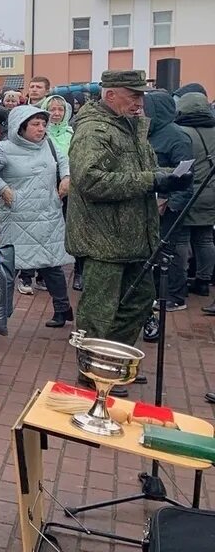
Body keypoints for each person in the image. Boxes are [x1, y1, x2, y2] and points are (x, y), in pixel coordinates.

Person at [68, 71, 192, 396]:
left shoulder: (130, 126)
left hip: (134, 237)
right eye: (133, 96)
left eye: (141, 96)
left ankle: (112, 364)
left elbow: (137, 171)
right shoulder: (94, 130)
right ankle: (93, 374)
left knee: (138, 301)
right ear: (111, 96)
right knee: (98, 311)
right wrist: (154, 180)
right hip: (104, 238)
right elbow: (91, 180)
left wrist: (169, 175)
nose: (140, 102)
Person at [0, 106, 74, 325]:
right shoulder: (3, 149)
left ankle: (62, 309)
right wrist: (3, 189)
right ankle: (2, 315)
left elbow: (65, 161)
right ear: (20, 127)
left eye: (43, 124)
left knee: (51, 265)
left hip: (47, 214)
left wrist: (66, 178)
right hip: (17, 216)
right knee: (8, 269)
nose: (41, 129)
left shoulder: (49, 145)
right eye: (35, 124)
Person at [145, 89, 194, 318]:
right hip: (151, 204)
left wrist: (172, 204)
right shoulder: (149, 133)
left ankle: (174, 296)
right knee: (154, 251)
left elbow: (186, 175)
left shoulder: (177, 136)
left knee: (168, 251)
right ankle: (155, 292)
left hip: (170, 206)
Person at [173, 93, 215, 307]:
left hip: (190, 194)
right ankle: (203, 281)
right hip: (211, 194)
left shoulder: (181, 132)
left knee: (181, 239)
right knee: (206, 239)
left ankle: (179, 285)